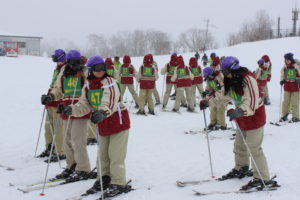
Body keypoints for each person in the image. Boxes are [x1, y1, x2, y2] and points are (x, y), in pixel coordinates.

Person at [201, 56, 279, 190]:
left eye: (226, 72)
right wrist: (208, 102)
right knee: (239, 146)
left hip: (254, 117)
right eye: (223, 72)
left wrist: (240, 111)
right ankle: (241, 168)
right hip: (242, 117)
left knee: (254, 148)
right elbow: (222, 95)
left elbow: (252, 101)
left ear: (233, 69)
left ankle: (263, 178)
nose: (225, 75)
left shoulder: (248, 79)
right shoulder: (230, 80)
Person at [69, 56, 131, 197]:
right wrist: (70, 109)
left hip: (117, 121)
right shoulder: (88, 85)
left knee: (115, 154)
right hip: (102, 121)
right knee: (102, 154)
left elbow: (110, 101)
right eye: (97, 68)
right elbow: (84, 105)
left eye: (103, 67)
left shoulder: (110, 82)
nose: (100, 71)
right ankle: (104, 178)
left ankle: (118, 182)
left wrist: (103, 112)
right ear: (91, 70)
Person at [41, 50, 92, 181]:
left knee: (77, 140)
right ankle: (71, 165)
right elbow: (58, 89)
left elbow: (91, 85)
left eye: (77, 61)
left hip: (80, 108)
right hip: (66, 108)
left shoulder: (84, 70)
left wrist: (84, 72)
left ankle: (83, 168)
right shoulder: (64, 70)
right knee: (66, 140)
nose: (73, 64)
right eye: (71, 62)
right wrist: (51, 96)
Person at [38, 49, 66, 162]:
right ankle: (50, 146)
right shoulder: (57, 68)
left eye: (56, 58)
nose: (54, 60)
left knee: (58, 127)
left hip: (59, 100)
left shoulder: (66, 68)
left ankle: (60, 151)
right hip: (51, 99)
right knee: (48, 125)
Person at [279, 53, 300, 122]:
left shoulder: (296, 66)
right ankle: (284, 115)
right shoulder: (285, 67)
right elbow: (282, 74)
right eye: (286, 60)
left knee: (295, 102)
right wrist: (282, 80)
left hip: (295, 87)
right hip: (287, 86)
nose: (287, 61)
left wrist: (298, 79)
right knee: (285, 102)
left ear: (291, 59)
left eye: (288, 60)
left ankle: (295, 116)